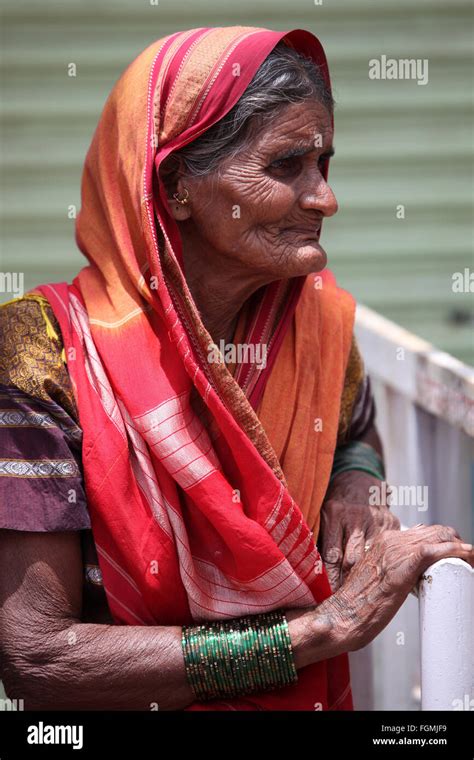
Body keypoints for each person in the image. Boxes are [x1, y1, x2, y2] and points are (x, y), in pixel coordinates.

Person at [1, 26, 472, 711]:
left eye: (324, 165)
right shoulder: (41, 353)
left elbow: (354, 431)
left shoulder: (318, 330)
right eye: (286, 166)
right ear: (176, 186)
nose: (325, 199)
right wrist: (321, 630)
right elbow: (38, 657)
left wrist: (356, 484)